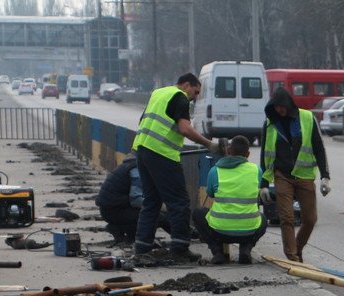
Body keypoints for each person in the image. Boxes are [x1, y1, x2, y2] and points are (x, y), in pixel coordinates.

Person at [131, 72, 220, 261]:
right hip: (162, 154)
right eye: (195, 92)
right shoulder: (180, 97)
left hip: (142, 150)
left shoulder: (158, 93)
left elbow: (143, 121)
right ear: (187, 85)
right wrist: (208, 144)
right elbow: (184, 128)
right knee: (179, 201)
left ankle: (142, 246)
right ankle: (180, 247)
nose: (194, 98)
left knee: (151, 201)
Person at [259, 86, 331, 263]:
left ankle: (297, 248)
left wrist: (325, 175)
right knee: (286, 218)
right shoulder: (269, 123)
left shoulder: (306, 118)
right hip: (282, 175)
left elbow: (318, 148)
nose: (279, 110)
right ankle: (292, 257)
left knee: (310, 219)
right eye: (276, 107)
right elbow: (264, 154)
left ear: (289, 104)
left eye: (282, 106)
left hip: (304, 175)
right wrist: (263, 184)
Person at [192, 135, 266, 265]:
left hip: (218, 232)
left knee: (198, 213)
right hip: (249, 231)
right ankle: (245, 249)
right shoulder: (256, 170)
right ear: (248, 154)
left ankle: (218, 253)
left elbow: (210, 193)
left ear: (229, 151)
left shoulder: (215, 171)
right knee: (263, 219)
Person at [95, 153, 169, 245]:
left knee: (153, 213)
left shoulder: (128, 166)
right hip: (115, 211)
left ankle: (124, 232)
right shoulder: (136, 169)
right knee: (156, 216)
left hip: (110, 210)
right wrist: (160, 207)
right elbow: (136, 200)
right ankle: (183, 234)